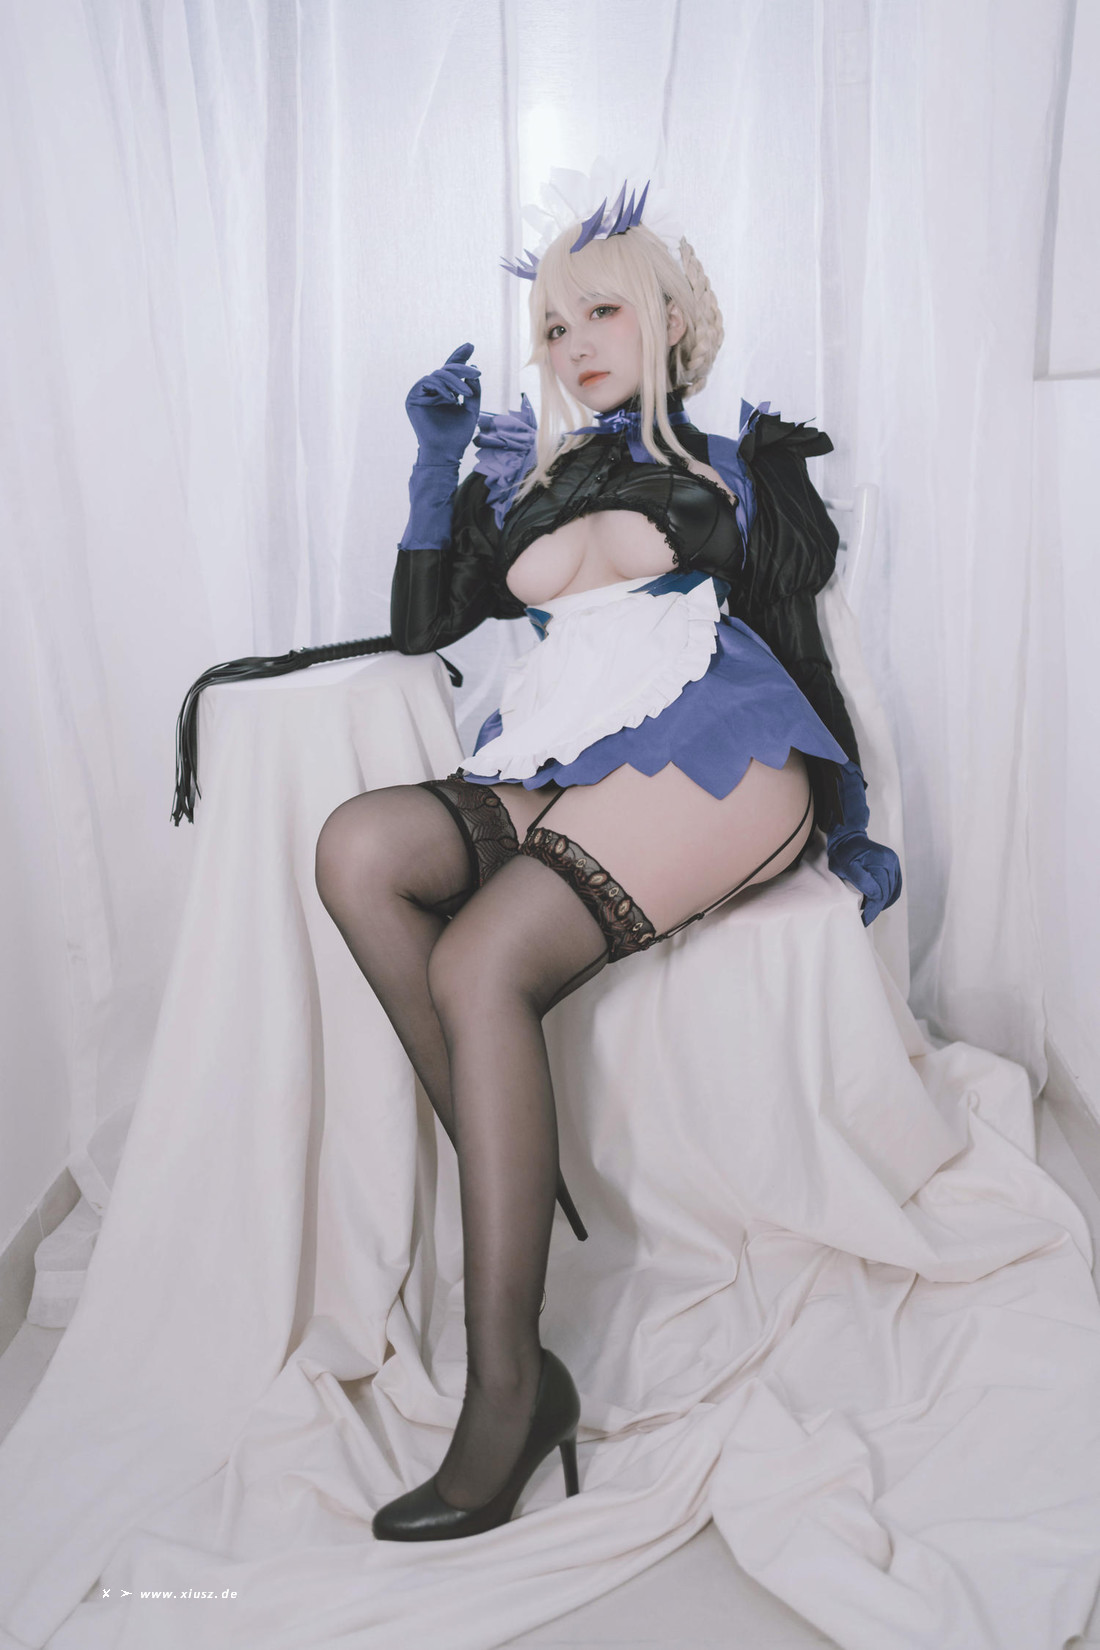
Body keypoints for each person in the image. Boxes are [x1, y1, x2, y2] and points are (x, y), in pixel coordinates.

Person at [313, 182, 901, 1543]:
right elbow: (422, 629)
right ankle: (512, 1160)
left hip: (722, 747)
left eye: (603, 313)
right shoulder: (533, 479)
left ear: (670, 318)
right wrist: (437, 466)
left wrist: (850, 822)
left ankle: (510, 1390)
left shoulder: (734, 467)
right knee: (358, 850)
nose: (573, 343)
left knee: (480, 965)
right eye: (553, 325)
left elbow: (797, 631)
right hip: (569, 753)